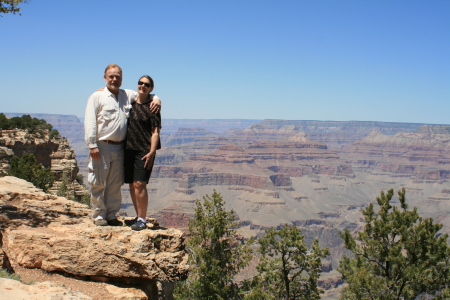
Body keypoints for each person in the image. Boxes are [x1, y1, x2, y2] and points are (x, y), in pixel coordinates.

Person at [84, 64, 161, 226]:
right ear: (105, 78)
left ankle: (111, 215)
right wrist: (92, 145)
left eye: (117, 76)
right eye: (111, 76)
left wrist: (157, 98)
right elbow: (90, 121)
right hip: (102, 146)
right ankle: (99, 215)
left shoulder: (126, 95)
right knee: (98, 180)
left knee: (115, 183)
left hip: (121, 147)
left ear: (121, 79)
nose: (114, 79)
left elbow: (145, 94)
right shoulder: (96, 97)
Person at [124, 75, 161, 230]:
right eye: (140, 83)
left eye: (146, 84)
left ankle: (143, 219)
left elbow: (155, 132)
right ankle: (138, 217)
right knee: (132, 185)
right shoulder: (130, 104)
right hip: (128, 149)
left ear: (151, 88)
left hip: (144, 151)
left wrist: (152, 152)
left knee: (140, 183)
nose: (142, 86)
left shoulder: (153, 107)